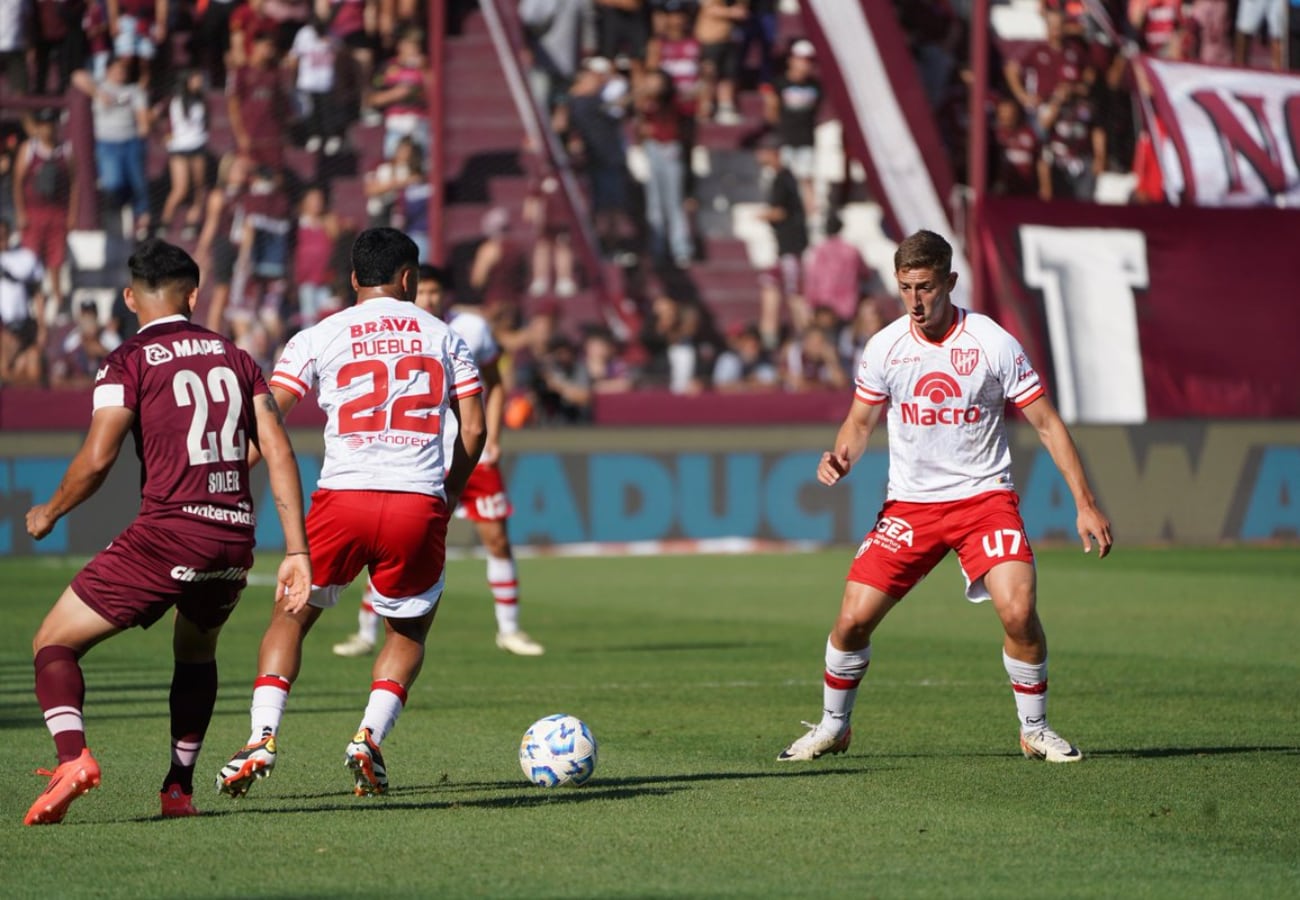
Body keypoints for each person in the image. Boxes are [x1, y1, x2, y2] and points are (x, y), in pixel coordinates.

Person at [777, 229, 1112, 765]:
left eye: (926, 287)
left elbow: (1047, 424)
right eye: (906, 287)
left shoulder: (992, 342)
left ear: (950, 282)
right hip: (911, 506)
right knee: (851, 621)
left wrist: (1085, 502)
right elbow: (859, 423)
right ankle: (833, 726)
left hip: (984, 500)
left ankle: (1035, 730)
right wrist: (839, 456)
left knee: (1019, 610)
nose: (915, 300)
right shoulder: (886, 346)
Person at [22, 239, 311, 825]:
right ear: (195, 294)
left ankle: (72, 758)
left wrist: (50, 511)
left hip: (169, 531)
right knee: (196, 651)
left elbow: (99, 457)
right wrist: (297, 549)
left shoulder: (126, 360)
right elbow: (277, 449)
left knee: (52, 642)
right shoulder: (237, 355)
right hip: (234, 536)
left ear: (130, 297)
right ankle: (178, 788)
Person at [216, 228, 487, 800]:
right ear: (410, 279)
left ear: (354, 279)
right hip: (416, 499)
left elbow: (270, 420)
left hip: (341, 500)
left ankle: (261, 736)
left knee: (291, 618)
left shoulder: (319, 334)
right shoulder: (445, 335)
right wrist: (450, 494)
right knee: (408, 629)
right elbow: (476, 429)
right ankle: (369, 735)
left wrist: (230, 476)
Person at [333, 263, 545, 658]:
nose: (428, 299)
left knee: (497, 539)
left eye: (435, 292)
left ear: (444, 294)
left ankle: (510, 630)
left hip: (470, 452)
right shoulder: (398, 332)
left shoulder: (471, 330)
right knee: (396, 545)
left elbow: (495, 385)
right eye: (423, 291)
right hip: (420, 457)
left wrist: (494, 437)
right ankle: (365, 633)